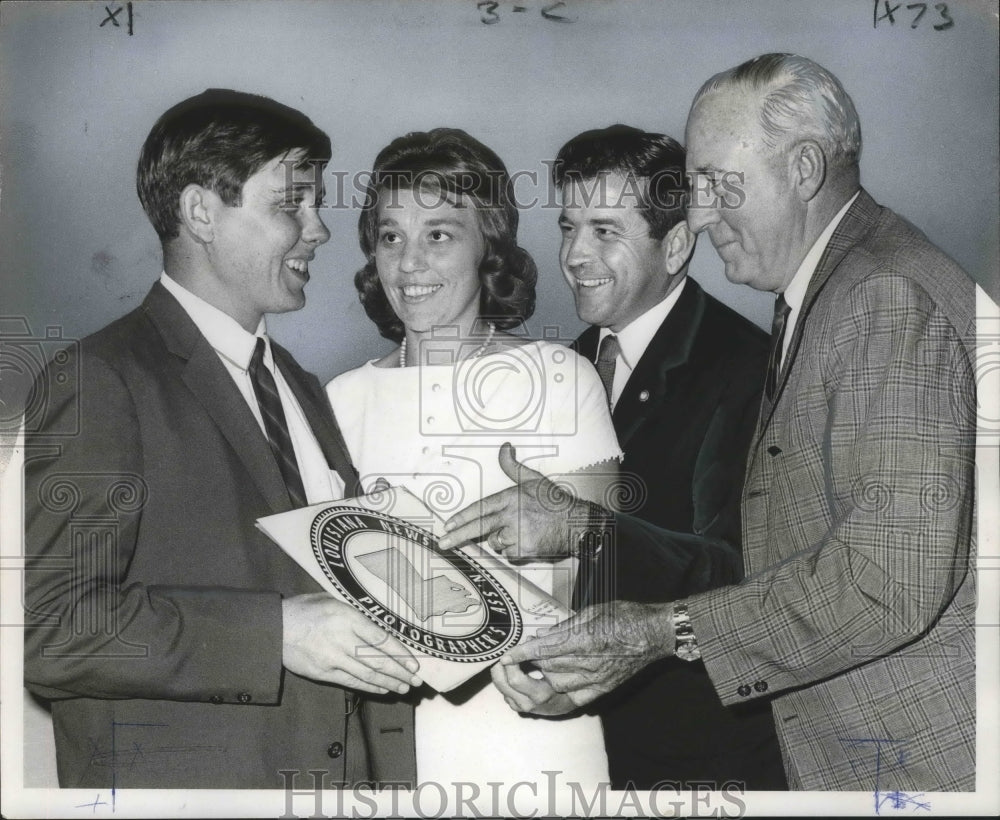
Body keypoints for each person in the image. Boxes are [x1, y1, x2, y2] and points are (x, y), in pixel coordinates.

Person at [441, 54, 977, 791]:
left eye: (720, 185)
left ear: (806, 168)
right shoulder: (838, 291)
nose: (702, 213)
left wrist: (663, 628)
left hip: (903, 766)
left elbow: (886, 581)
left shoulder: (883, 295)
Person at [22, 89, 422, 789]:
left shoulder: (299, 385)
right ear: (201, 211)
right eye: (291, 203)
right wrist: (279, 634)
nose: (320, 230)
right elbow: (56, 629)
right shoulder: (98, 379)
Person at [325, 127, 621, 788]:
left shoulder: (559, 375)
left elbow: (612, 569)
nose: (409, 263)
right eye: (391, 235)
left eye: (439, 234)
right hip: (386, 748)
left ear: (489, 247)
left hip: (533, 735)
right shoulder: (341, 400)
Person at [553, 124, 785, 789]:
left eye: (604, 231)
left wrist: (583, 527)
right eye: (568, 227)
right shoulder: (556, 370)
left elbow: (744, 575)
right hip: (572, 754)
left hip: (701, 766)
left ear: (678, 244)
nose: (573, 254)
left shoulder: (747, 371)